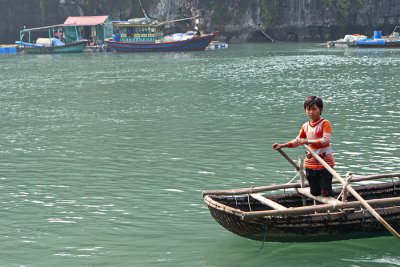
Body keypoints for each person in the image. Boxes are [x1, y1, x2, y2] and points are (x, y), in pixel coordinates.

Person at [272, 96, 335, 197]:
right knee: (314, 193)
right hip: (310, 164)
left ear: (320, 109)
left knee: (325, 193)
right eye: (308, 109)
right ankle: (318, 207)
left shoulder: (325, 123)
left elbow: (325, 141)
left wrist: (308, 141)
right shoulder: (305, 126)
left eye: (314, 109)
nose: (311, 112)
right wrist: (282, 145)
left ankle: (329, 206)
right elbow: (297, 141)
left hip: (325, 163)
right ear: (305, 110)